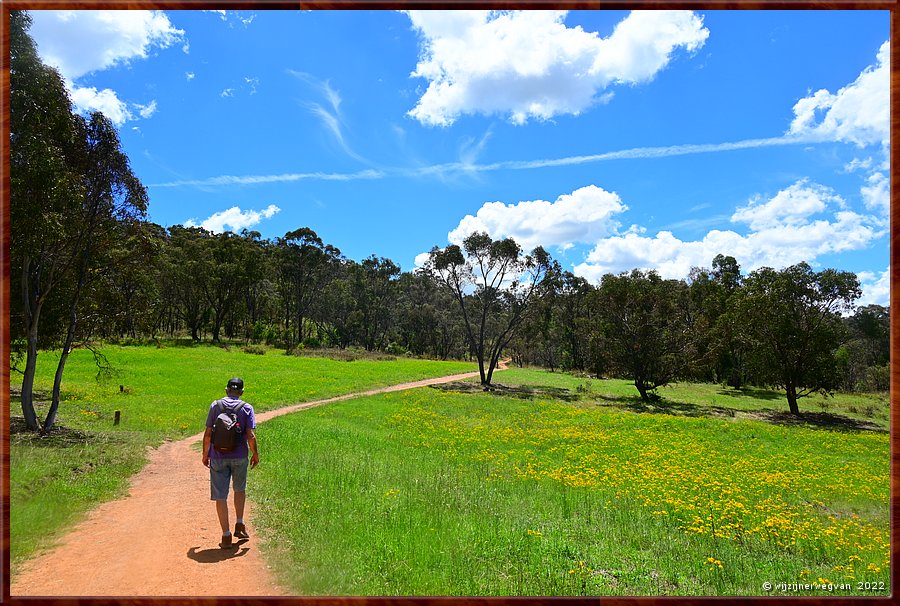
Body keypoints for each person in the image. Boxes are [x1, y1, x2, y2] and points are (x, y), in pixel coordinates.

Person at [202, 377, 260, 548]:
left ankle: (226, 535)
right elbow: (250, 435)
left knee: (220, 496)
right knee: (239, 489)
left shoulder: (215, 406)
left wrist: (205, 454)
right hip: (240, 456)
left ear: (226, 390)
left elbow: (207, 434)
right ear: (241, 392)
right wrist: (255, 454)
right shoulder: (247, 408)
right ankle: (240, 523)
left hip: (218, 456)